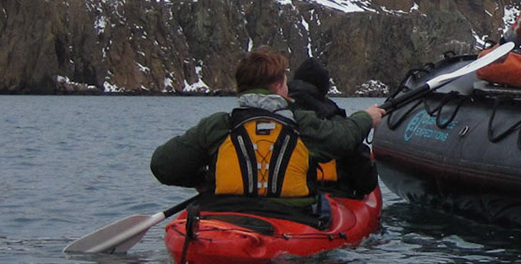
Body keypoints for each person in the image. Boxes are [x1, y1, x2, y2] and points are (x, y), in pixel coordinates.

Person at [150, 47, 384, 207]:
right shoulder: (300, 123)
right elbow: (344, 138)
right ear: (278, 86)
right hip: (292, 219)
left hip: (228, 213)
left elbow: (163, 165)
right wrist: (367, 117)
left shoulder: (219, 126)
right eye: (285, 83)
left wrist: (203, 181)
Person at [285, 55, 380, 197]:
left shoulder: (279, 116)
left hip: (288, 194)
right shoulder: (336, 122)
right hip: (333, 195)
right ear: (324, 87)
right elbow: (365, 182)